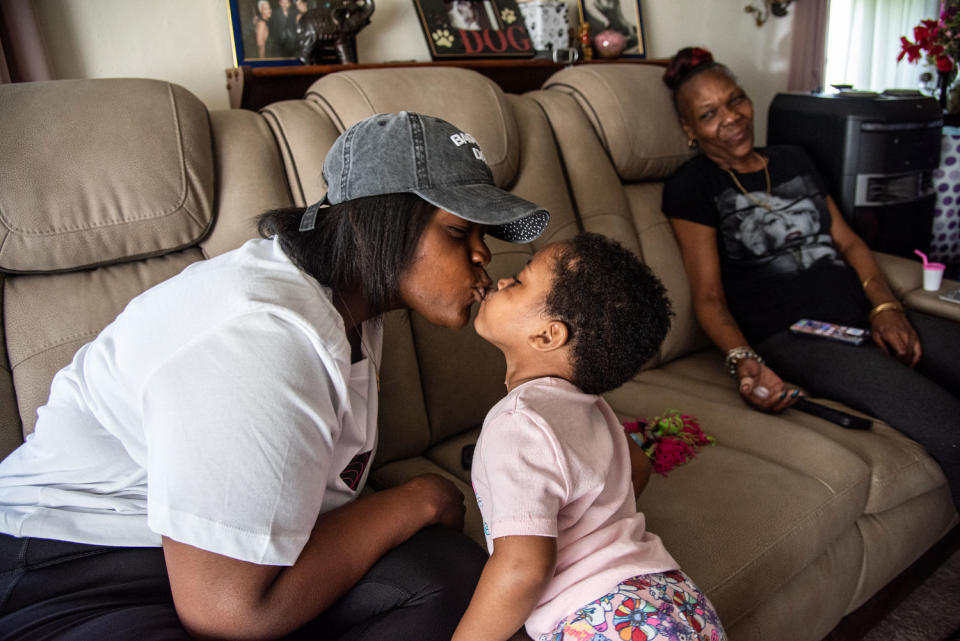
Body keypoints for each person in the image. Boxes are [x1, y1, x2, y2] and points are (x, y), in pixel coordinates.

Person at [0, 111, 550, 640]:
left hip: (223, 560)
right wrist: (419, 499)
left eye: (485, 237)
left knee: (453, 578)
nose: (484, 257)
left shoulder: (351, 304)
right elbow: (227, 611)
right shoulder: (264, 336)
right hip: (70, 564)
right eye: (459, 233)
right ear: (375, 223)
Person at [660, 46, 960, 509]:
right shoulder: (692, 186)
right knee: (949, 428)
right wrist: (745, 361)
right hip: (796, 337)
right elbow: (708, 297)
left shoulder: (792, 159)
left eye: (736, 100)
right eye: (709, 114)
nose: (732, 118)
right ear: (689, 129)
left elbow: (850, 243)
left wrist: (886, 306)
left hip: (859, 312)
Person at [452, 233, 726, 641]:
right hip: (675, 597)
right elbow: (639, 466)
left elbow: (523, 568)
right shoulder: (592, 406)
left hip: (603, 618)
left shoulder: (517, 423)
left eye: (521, 281)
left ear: (547, 335)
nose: (503, 282)